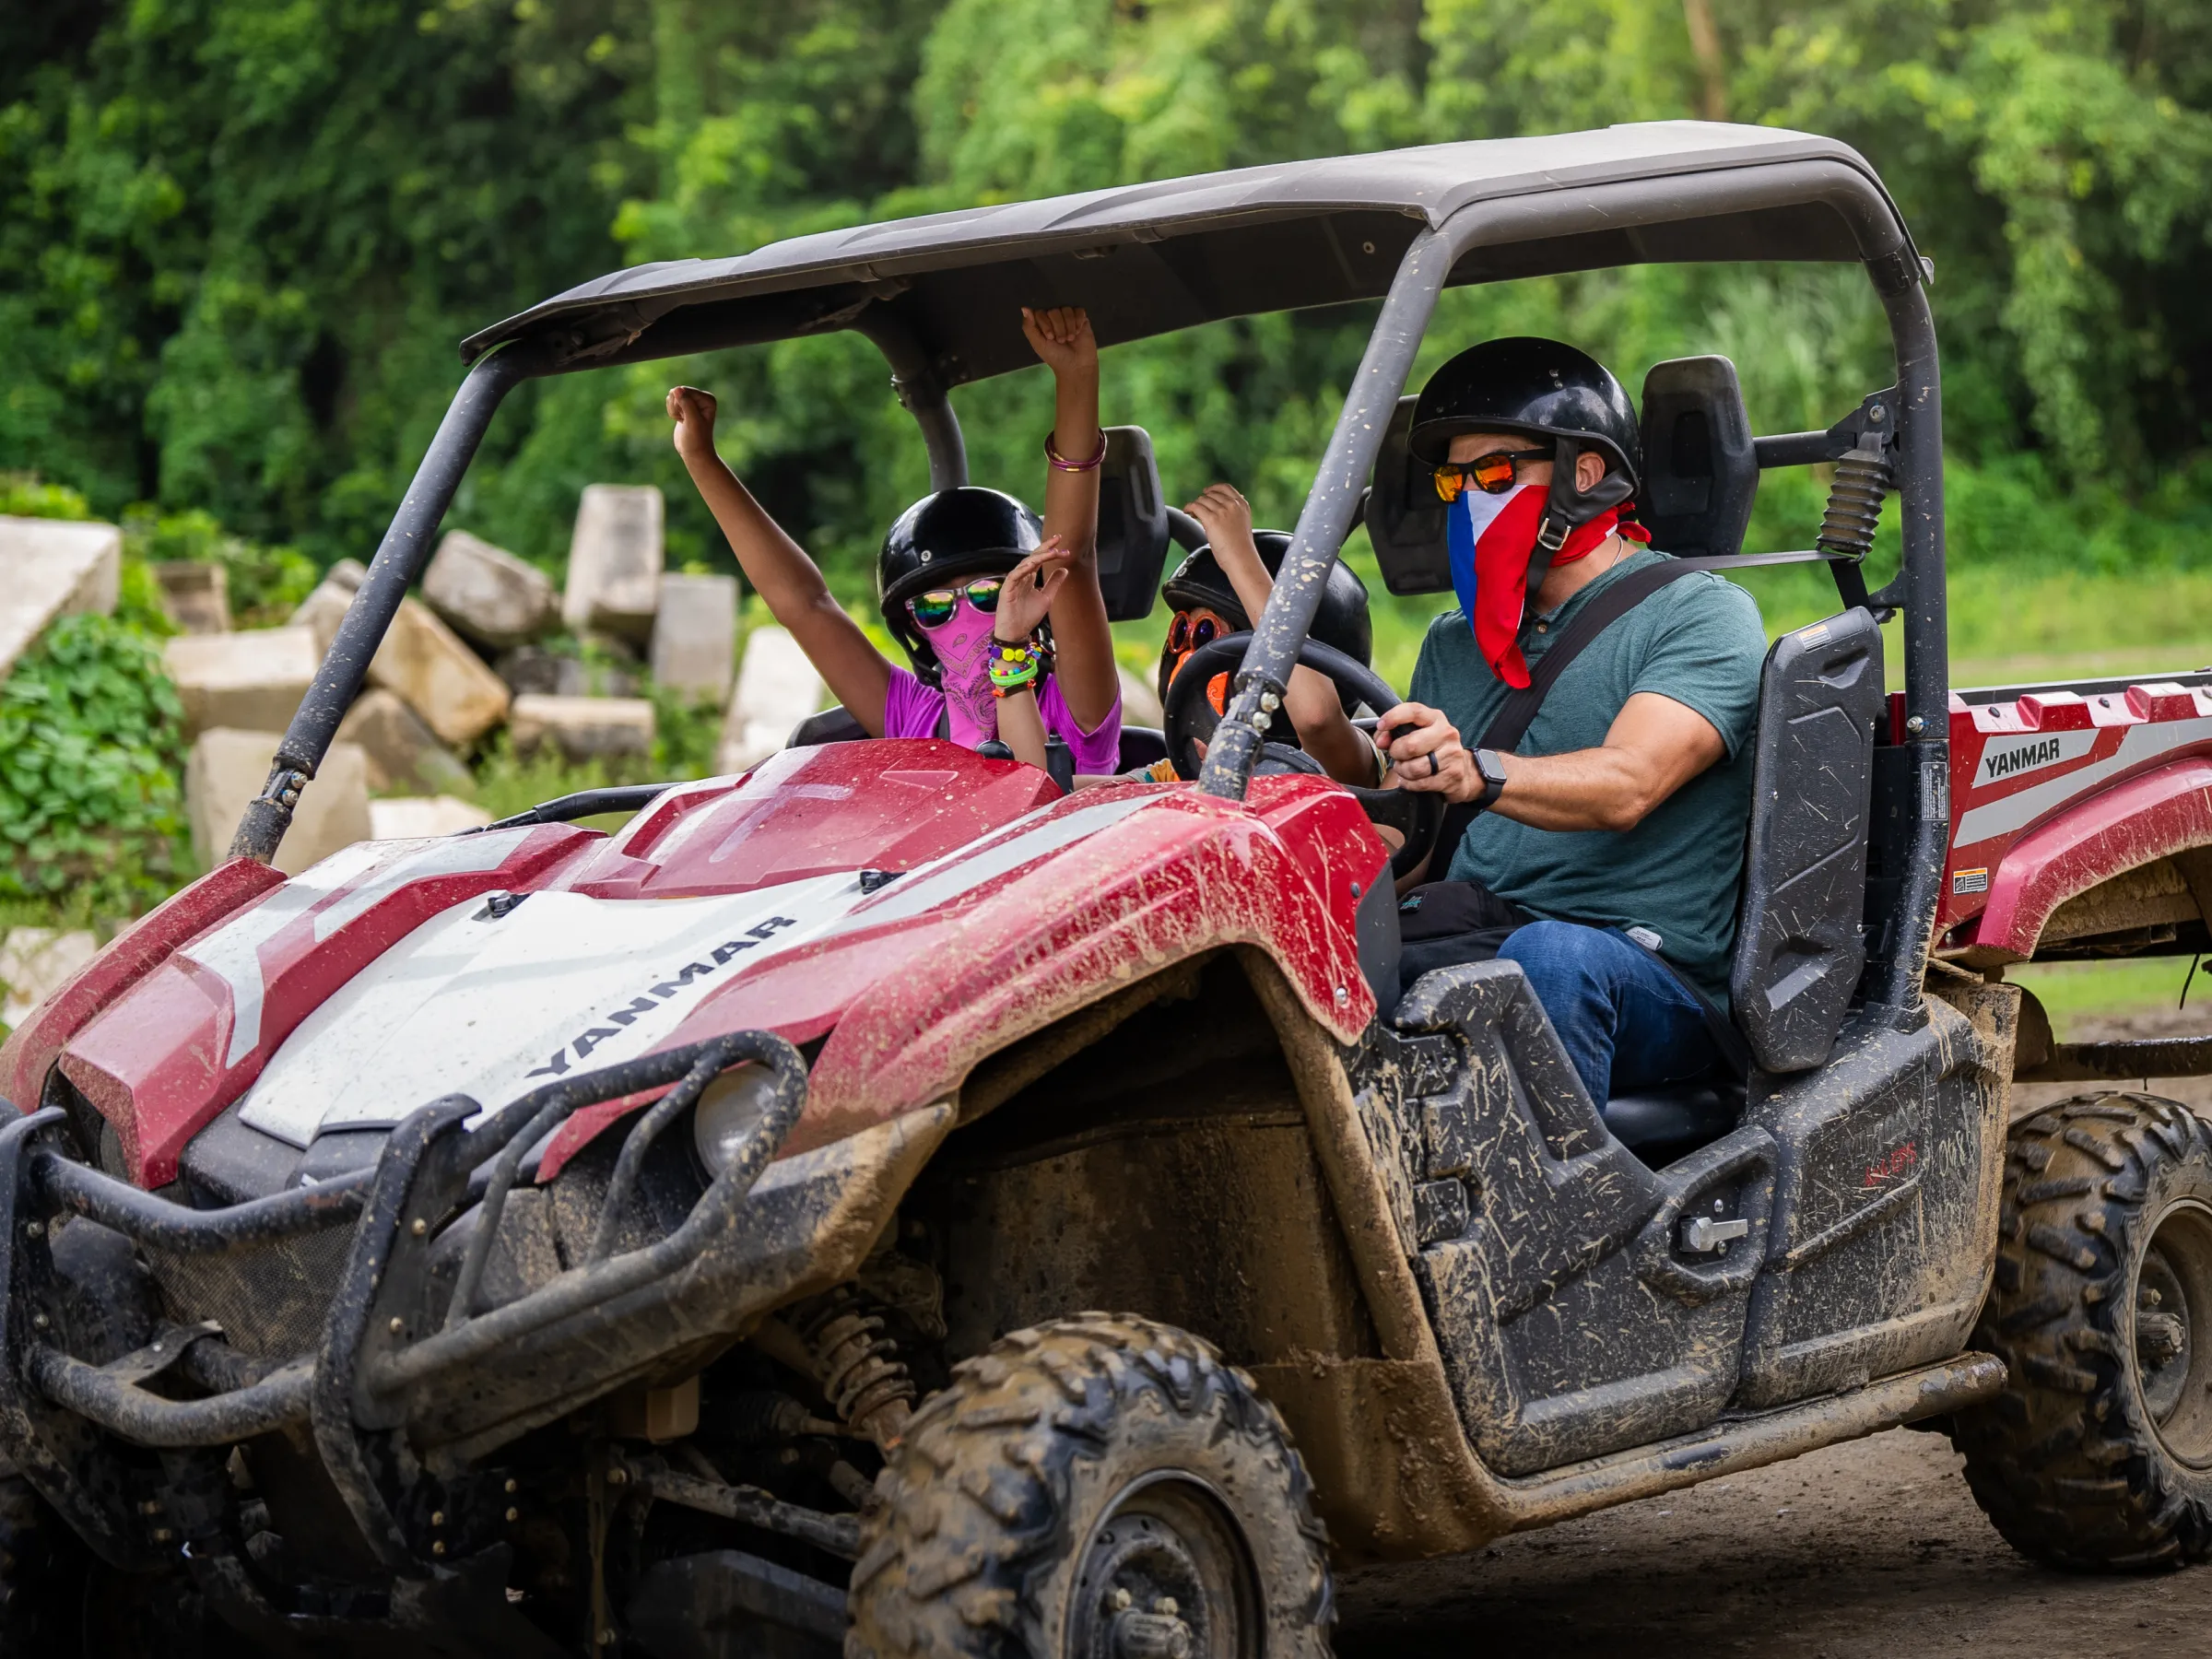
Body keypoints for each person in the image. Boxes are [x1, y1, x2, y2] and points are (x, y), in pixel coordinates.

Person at [1279, 337, 1766, 1107]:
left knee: (1549, 958)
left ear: (1585, 473)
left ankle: (1558, 1223)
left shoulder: (1699, 613)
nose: (1473, 498)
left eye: (1497, 473)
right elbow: (1428, 838)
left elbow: (1628, 785)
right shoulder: (1453, 642)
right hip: (1471, 934)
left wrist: (1477, 771)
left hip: (1637, 968)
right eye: (1455, 478)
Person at [665, 306, 1120, 775]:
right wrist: (701, 457)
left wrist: (1077, 376)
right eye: (934, 607)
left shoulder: (1074, 710)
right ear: (915, 626)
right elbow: (805, 605)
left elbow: (1074, 557)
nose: (963, 616)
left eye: (988, 594)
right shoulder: (914, 716)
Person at [1129, 483, 1372, 781]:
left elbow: (1316, 718)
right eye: (1182, 632)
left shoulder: (1334, 765)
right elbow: (1079, 801)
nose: (1188, 658)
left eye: (1207, 633)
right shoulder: (1179, 772)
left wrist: (1239, 557)